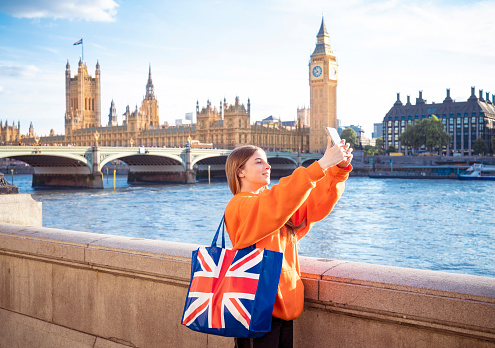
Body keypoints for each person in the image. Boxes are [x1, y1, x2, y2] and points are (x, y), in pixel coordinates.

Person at [224, 136, 353, 348]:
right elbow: (280, 198)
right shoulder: (239, 206)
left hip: (284, 303)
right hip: (256, 307)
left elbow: (313, 203)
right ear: (240, 171)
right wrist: (320, 164)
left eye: (266, 161)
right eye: (259, 162)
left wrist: (337, 169)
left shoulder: (275, 205)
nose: (268, 165)